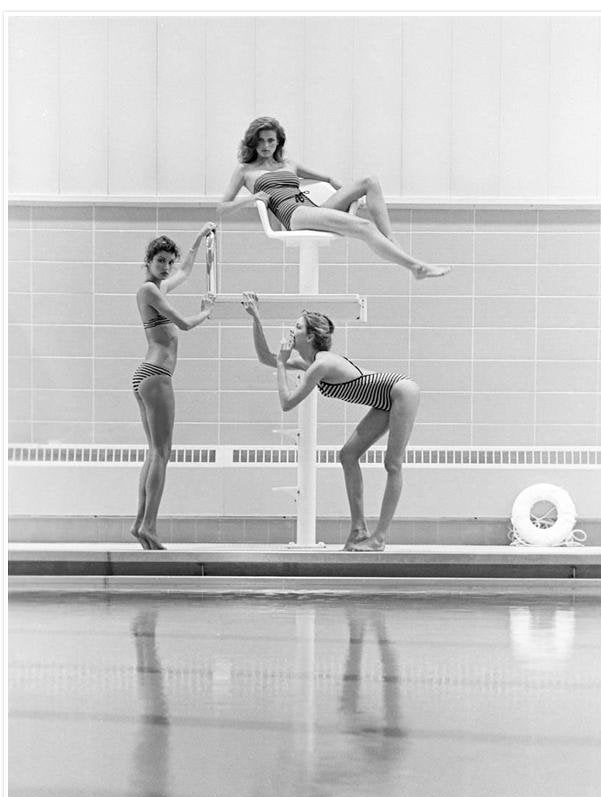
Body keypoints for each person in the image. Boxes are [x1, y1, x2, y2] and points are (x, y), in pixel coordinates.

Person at [241, 291, 419, 552]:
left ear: (310, 336)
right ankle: (359, 530)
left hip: (401, 391)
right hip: (385, 400)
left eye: (298, 326)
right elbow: (266, 358)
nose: (292, 329)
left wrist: (281, 360)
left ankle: (378, 538)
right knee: (348, 455)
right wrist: (256, 318)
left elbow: (287, 402)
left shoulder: (321, 365)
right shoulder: (310, 362)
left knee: (392, 463)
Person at [219, 116, 450, 281]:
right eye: (260, 141)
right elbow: (222, 208)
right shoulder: (245, 171)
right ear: (253, 142)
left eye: (271, 140)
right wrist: (252, 199)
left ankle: (391, 241)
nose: (266, 146)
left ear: (278, 141)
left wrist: (344, 191)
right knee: (363, 226)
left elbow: (328, 178)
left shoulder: (289, 164)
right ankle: (415, 267)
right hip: (292, 215)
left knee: (370, 180)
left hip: (310, 207)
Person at [132, 227, 216, 550]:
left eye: (168, 261)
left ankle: (140, 524)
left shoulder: (159, 287)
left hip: (149, 375)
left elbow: (187, 269)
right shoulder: (149, 292)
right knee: (162, 453)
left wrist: (198, 239)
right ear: (148, 262)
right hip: (156, 375)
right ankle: (149, 526)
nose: (166, 267)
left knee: (154, 452)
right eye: (160, 261)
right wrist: (207, 312)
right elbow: (183, 323)